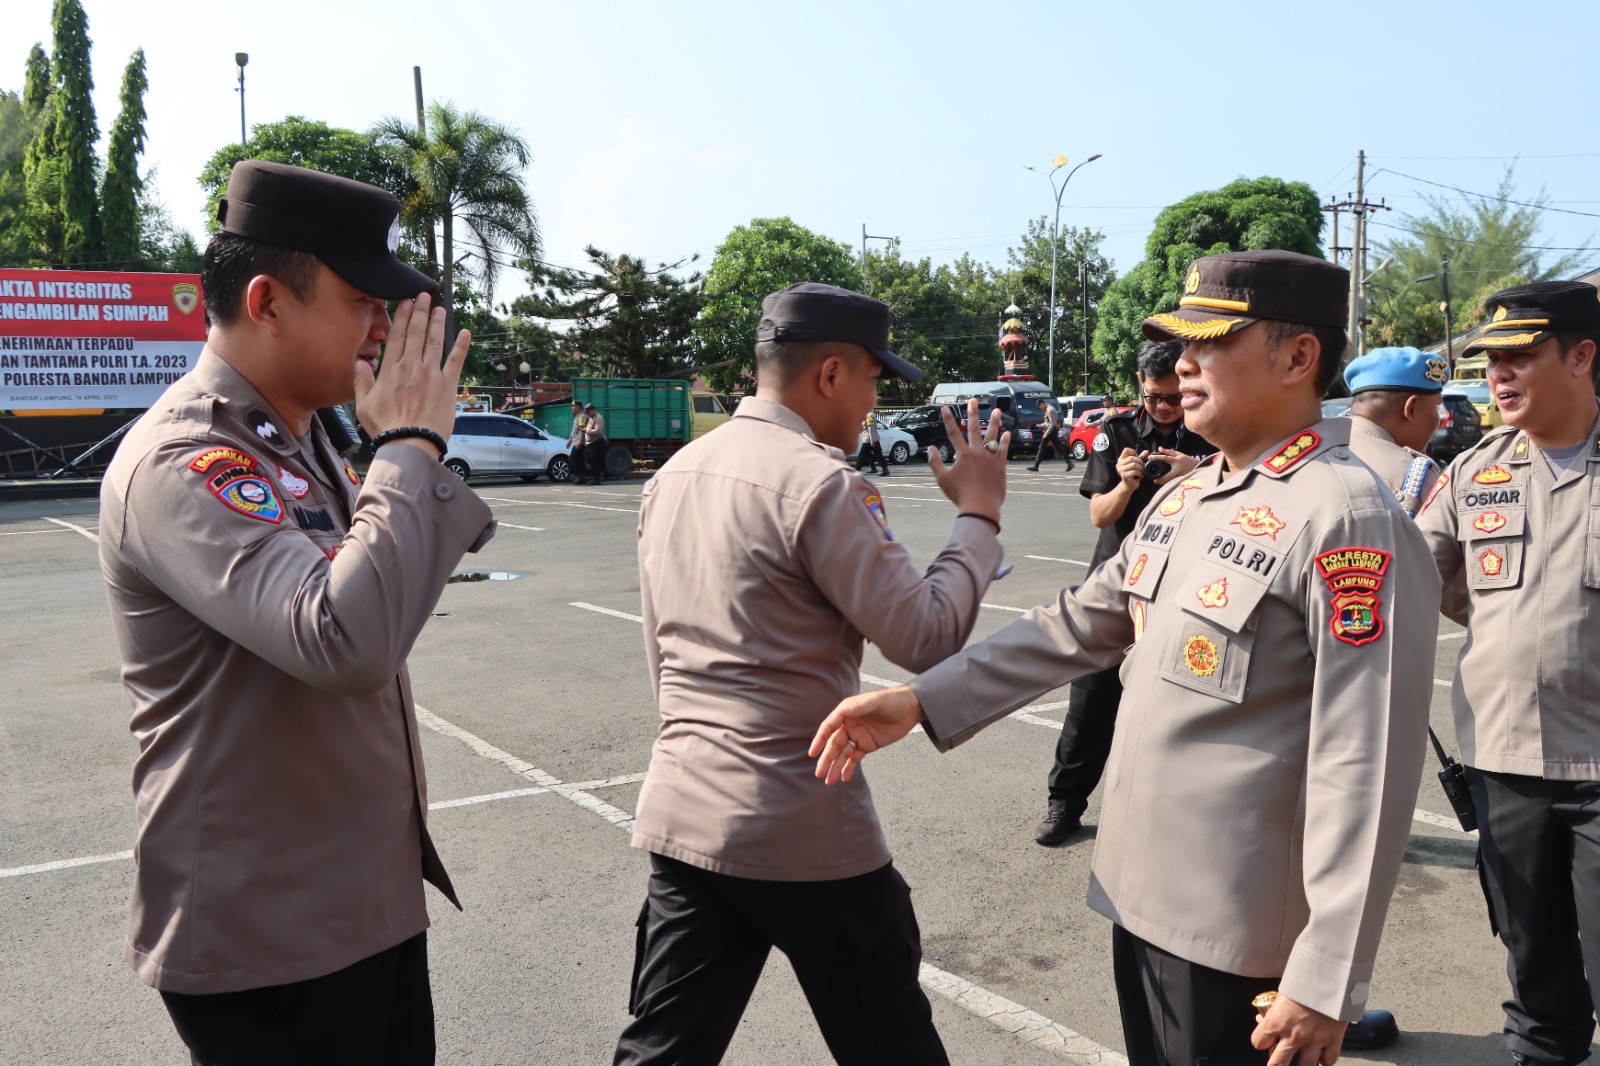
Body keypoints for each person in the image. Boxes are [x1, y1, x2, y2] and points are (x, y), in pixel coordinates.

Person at [811, 250, 1440, 1066]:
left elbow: (1370, 761)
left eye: (1212, 342)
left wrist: (1326, 977)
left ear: (1297, 357)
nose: (1183, 363)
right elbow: (1082, 622)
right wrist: (923, 700)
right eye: (1181, 345)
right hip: (1139, 899)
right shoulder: (1189, 494)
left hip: (1239, 933)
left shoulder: (1347, 517)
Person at [97, 160, 496, 1065]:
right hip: (271, 941)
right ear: (269, 302)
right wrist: (406, 449)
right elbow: (344, 640)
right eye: (363, 300)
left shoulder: (303, 434)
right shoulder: (190, 458)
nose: (382, 329)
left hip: (353, 907)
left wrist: (396, 459)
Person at [613, 281, 1010, 1066]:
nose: (870, 404)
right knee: (891, 1043)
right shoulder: (821, 482)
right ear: (831, 374)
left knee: (662, 1047)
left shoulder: (677, 473)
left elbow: (661, 651)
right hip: (801, 816)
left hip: (687, 806)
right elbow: (924, 635)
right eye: (870, 380)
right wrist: (980, 517)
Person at [1415, 281, 1600, 1066]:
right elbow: (1418, 581)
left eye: (1520, 355)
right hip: (1503, 764)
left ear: (1583, 356)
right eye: (1491, 360)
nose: (1498, 374)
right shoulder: (1474, 471)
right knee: (1537, 977)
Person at [1032, 338, 1213, 847]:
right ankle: (1064, 804)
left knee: (1178, 697)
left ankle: (1167, 811)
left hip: (1182, 583)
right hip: (1119, 582)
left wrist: (1193, 472)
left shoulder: (1208, 435)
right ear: (1141, 386)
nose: (1166, 407)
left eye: (1175, 397)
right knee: (1091, 698)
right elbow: (1099, 515)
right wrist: (1128, 484)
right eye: (1156, 397)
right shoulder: (1116, 432)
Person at [1342, 346, 1446, 517]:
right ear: (1410, 408)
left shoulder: (1312, 452)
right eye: (1436, 406)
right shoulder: (1416, 479)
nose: (1438, 419)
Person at [1027, 401, 1072, 472]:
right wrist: (1036, 426)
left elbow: (1052, 424)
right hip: (1052, 431)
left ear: (1042, 404)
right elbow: (1047, 423)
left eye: (1040, 407)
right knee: (1058, 448)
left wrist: (1047, 433)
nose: (1040, 408)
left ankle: (1036, 466)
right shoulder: (1050, 408)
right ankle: (1069, 463)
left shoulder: (1049, 410)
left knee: (1041, 448)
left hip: (1050, 432)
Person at [583, 401, 609, 484]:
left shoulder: (598, 418)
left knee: (595, 462)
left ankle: (597, 480)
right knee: (589, 458)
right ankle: (604, 472)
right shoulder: (591, 418)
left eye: (588, 412)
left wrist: (587, 431)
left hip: (597, 442)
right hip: (591, 443)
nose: (587, 414)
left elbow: (598, 431)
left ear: (593, 410)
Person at [567, 399, 590, 483]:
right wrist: (569, 441)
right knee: (579, 460)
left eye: (573, 406)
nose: (572, 408)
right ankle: (582, 477)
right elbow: (574, 431)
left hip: (579, 443)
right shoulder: (577, 417)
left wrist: (579, 442)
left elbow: (581, 431)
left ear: (578, 407)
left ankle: (580, 476)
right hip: (575, 442)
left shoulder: (582, 417)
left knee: (572, 458)